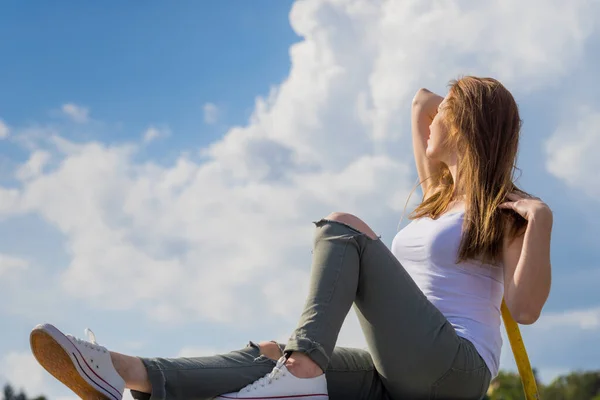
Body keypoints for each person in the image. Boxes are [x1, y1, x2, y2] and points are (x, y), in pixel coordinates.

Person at [29, 76, 553, 400]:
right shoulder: (437, 195)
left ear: (464, 124)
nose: (433, 118)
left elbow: (524, 310)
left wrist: (541, 220)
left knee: (343, 226)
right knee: (271, 358)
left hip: (454, 370)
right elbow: (420, 103)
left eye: (449, 111)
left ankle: (301, 367)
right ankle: (126, 373)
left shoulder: (502, 212)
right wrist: (466, 106)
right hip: (402, 371)